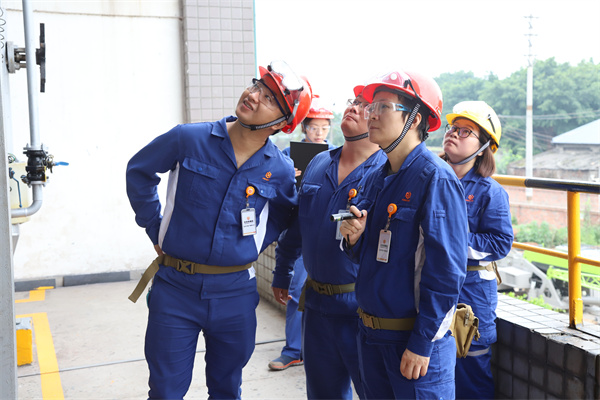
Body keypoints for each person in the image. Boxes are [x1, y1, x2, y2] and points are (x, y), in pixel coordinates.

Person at [125, 60, 312, 400]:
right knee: (165, 391)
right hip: (176, 288)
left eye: (269, 98)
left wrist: (254, 244)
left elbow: (284, 214)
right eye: (257, 86)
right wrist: (155, 228)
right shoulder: (188, 138)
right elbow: (139, 172)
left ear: (281, 124)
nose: (253, 96)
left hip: (235, 293)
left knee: (227, 389)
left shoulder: (280, 170)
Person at [340, 70, 468, 399]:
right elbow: (371, 256)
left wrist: (422, 343)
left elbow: (447, 271)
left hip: (413, 345)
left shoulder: (435, 178)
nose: (371, 114)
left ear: (414, 119)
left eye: (383, 106)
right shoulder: (376, 176)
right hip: (371, 336)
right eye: (372, 107)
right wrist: (353, 239)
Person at [272, 84, 387, 398]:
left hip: (362, 309)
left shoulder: (386, 174)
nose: (354, 107)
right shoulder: (319, 163)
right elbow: (298, 226)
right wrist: (282, 272)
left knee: (373, 391)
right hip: (317, 305)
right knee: (323, 392)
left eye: (366, 106)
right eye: (353, 101)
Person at [441, 101, 514, 399]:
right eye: (452, 128)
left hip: (471, 294)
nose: (453, 133)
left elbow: (500, 243)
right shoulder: (432, 180)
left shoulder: (490, 192)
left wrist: (452, 240)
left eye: (465, 131)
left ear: (484, 147)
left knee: (470, 373)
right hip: (433, 285)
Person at [268, 97, 337, 372]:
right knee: (296, 290)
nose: (319, 133)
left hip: (327, 232)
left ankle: (323, 351)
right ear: (304, 128)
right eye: (314, 127)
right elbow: (275, 193)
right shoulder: (286, 155)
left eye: (324, 128)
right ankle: (293, 350)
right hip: (298, 230)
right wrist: (289, 178)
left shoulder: (337, 155)